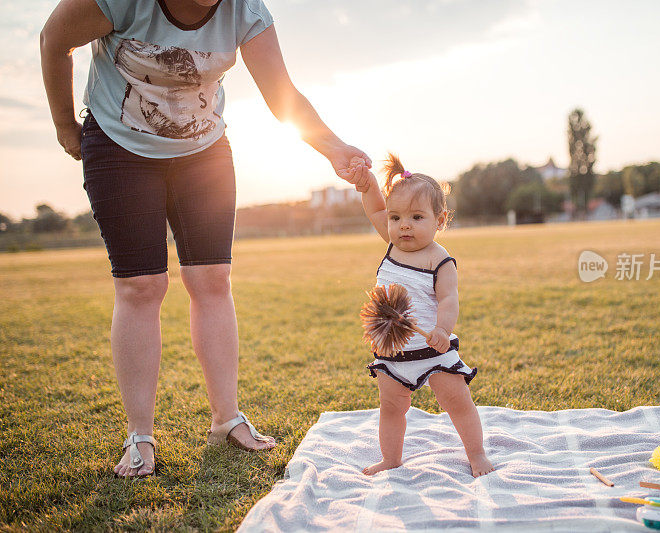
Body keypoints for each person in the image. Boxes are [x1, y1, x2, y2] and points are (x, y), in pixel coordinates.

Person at [40, 0, 372, 478]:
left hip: (203, 151)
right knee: (141, 286)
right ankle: (140, 437)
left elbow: (282, 95)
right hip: (120, 147)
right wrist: (64, 126)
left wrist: (335, 148)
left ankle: (226, 419)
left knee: (213, 278)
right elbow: (55, 40)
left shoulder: (245, 11)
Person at [351, 154, 494, 477]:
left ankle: (477, 454)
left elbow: (448, 299)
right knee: (391, 408)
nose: (404, 225)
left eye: (416, 217)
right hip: (393, 350)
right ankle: (391, 458)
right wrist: (367, 186)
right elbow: (375, 208)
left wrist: (443, 329)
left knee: (457, 401)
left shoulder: (438, 259)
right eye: (396, 217)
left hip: (433, 349)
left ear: (440, 220)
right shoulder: (392, 244)